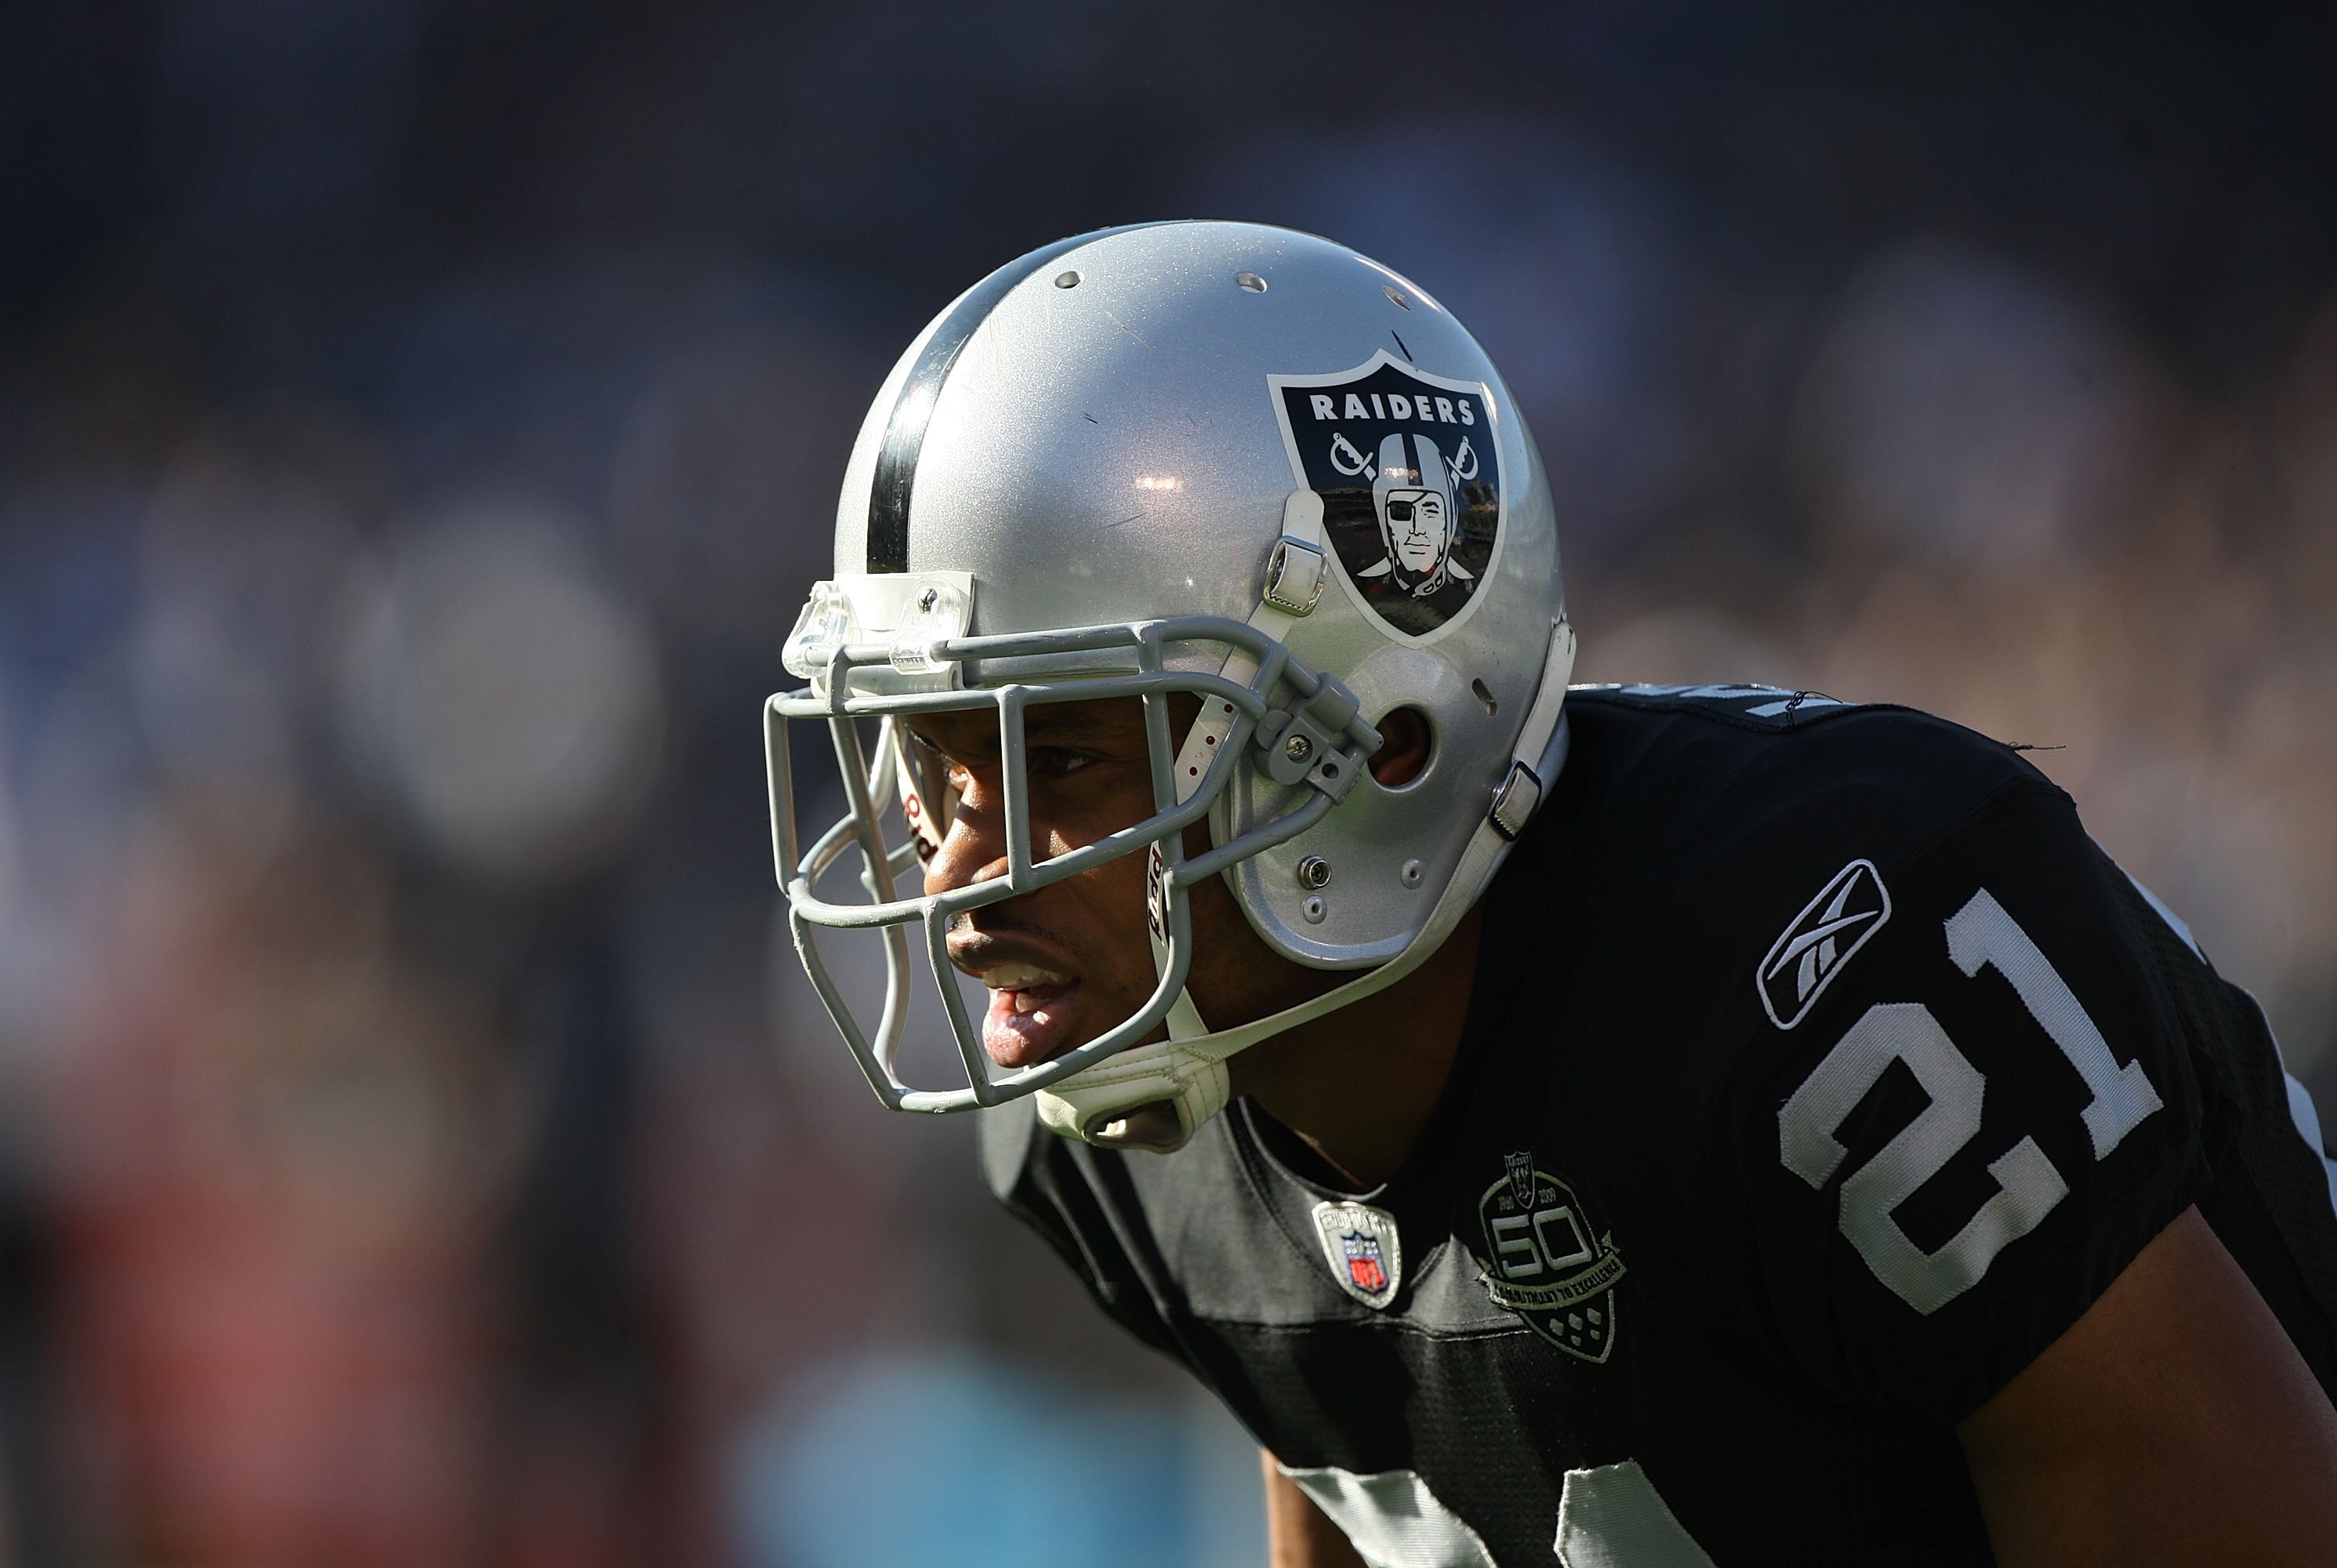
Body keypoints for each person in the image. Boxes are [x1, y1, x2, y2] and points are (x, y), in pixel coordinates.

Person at [763, 221, 2337, 1566]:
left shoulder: (1820, 970)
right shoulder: (1126, 1102)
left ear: (1378, 743)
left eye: (1068, 767)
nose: (968, 873)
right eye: (933, 765)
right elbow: (1369, 1459)